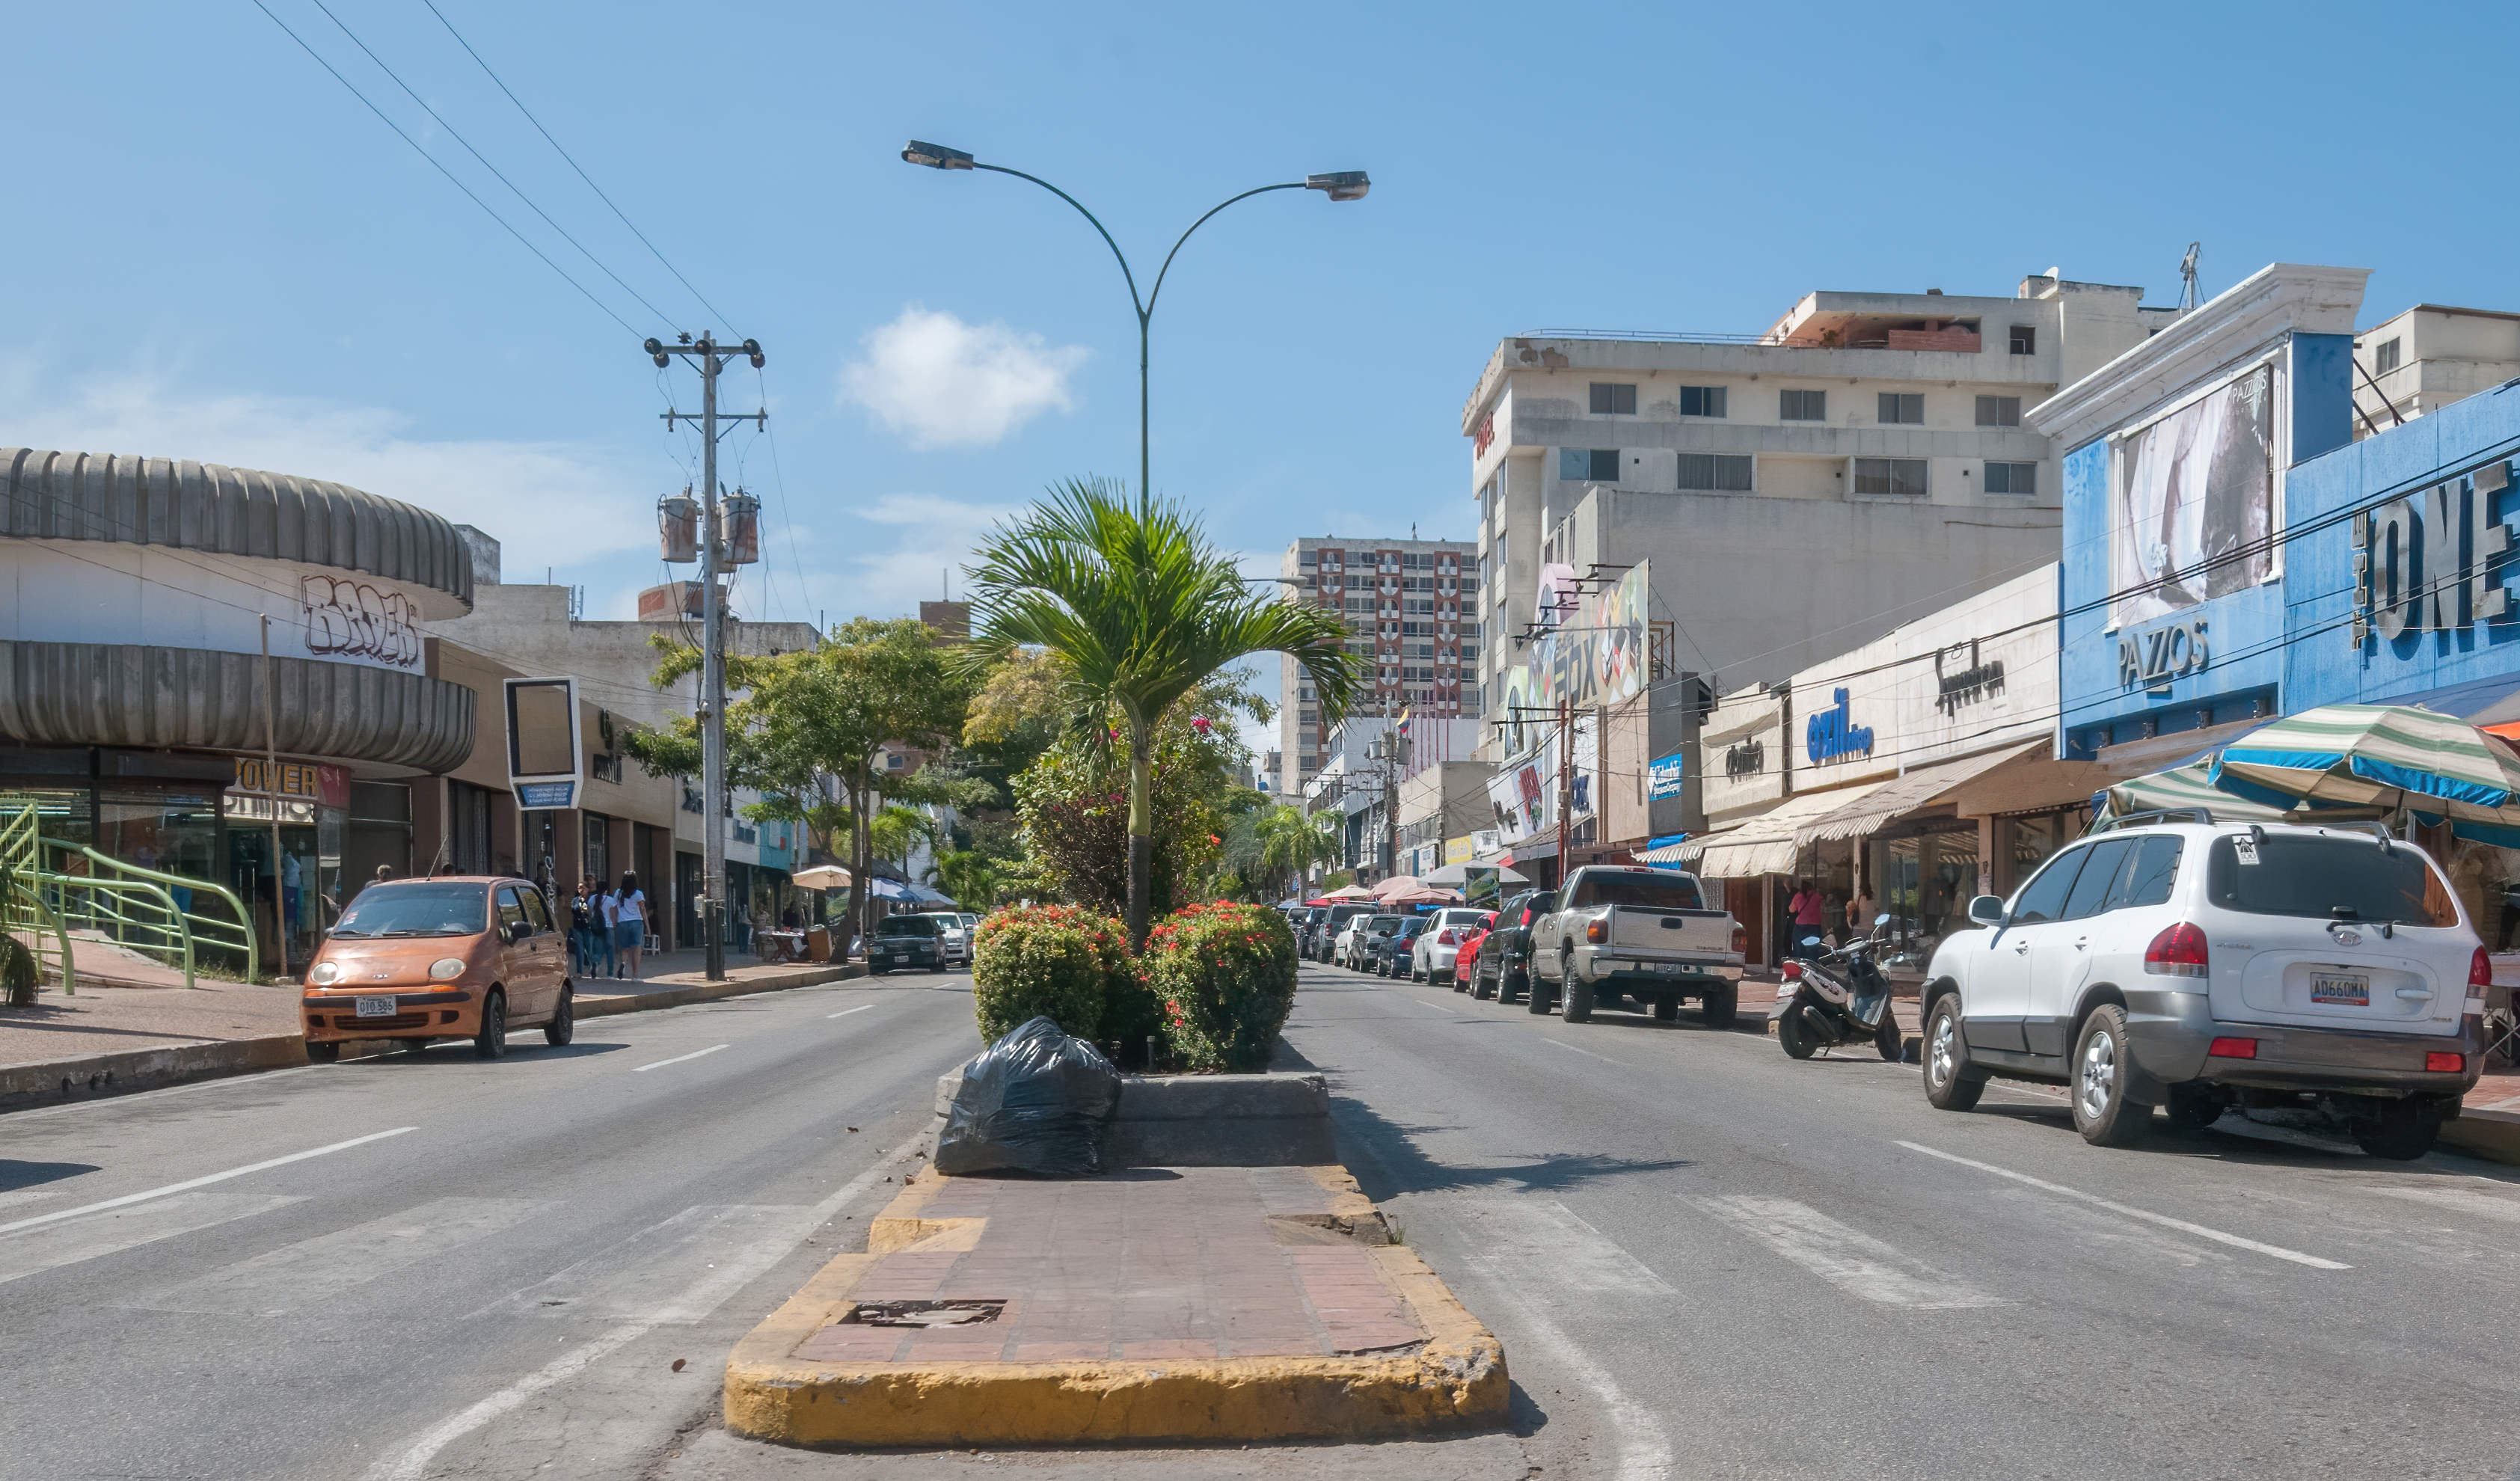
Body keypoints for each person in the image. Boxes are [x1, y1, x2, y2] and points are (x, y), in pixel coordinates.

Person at [614, 871, 648, 981]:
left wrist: (614, 923)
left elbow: (614, 909)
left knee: (625, 948)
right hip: (636, 923)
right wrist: (647, 926)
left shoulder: (618, 893)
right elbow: (643, 910)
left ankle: (623, 963)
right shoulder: (638, 894)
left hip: (622, 923)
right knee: (636, 948)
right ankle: (635, 974)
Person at [1787, 879, 1827, 960]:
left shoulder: (1798, 896)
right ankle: (1813, 969)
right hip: (1814, 926)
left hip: (1800, 927)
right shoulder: (1818, 896)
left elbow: (1791, 909)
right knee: (1813, 951)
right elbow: (1823, 910)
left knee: (1799, 951)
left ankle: (1801, 969)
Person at [592, 877, 620, 980]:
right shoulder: (610, 900)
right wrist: (614, 926)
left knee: (598, 949)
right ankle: (610, 974)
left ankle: (595, 963)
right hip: (608, 927)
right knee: (610, 950)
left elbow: (590, 913)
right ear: (606, 890)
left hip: (597, 928)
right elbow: (614, 915)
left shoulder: (592, 899)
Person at [569, 881, 597, 977]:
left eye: (583, 888)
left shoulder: (591, 900)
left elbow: (592, 912)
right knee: (579, 949)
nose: (581, 890)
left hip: (587, 927)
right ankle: (579, 972)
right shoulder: (575, 900)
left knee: (589, 948)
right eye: (579, 888)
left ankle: (592, 966)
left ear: (588, 889)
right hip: (577, 926)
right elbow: (573, 910)